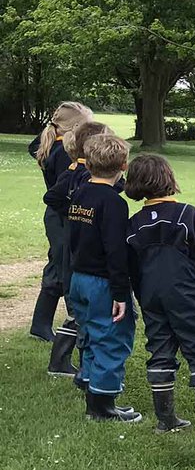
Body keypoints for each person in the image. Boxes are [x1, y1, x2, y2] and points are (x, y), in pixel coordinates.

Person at [124, 154, 195, 438]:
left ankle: (166, 420)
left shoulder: (134, 224)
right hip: (187, 294)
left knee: (160, 349)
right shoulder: (187, 214)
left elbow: (132, 269)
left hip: (151, 296)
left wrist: (143, 298)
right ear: (169, 179)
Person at [67, 132, 140, 422]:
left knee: (90, 333)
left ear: (87, 163)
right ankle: (102, 407)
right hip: (102, 283)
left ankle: (89, 383)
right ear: (124, 165)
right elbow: (115, 252)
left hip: (79, 278)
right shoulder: (113, 203)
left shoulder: (81, 191)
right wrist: (121, 294)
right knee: (111, 338)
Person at [42, 120, 110, 379]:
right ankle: (80, 365)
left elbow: (53, 197)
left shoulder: (74, 170)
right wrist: (75, 211)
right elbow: (53, 198)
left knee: (77, 306)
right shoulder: (84, 174)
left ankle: (62, 361)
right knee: (80, 308)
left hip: (76, 242)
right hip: (81, 247)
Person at [28, 101, 92, 344]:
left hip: (55, 214)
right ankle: (74, 323)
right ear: (74, 127)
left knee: (58, 264)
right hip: (64, 214)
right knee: (67, 266)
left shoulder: (48, 144)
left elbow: (35, 143)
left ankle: (41, 323)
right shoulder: (65, 153)